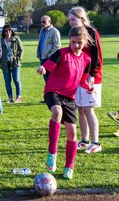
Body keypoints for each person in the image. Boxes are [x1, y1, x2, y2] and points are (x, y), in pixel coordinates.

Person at [37, 26, 93, 180]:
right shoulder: (61, 53)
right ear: (69, 40)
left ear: (85, 42)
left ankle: (69, 167)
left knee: (73, 133)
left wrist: (89, 86)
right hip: (53, 91)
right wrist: (42, 68)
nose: (75, 45)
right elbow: (47, 66)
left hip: (69, 98)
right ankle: (52, 154)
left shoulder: (86, 59)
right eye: (73, 42)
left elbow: (82, 80)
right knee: (57, 112)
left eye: (79, 43)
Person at [68, 6, 103, 154]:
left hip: (91, 77)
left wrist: (92, 74)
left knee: (89, 110)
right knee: (80, 109)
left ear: (81, 18)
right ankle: (84, 140)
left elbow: (96, 56)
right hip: (79, 76)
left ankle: (96, 143)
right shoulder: (75, 32)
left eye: (73, 19)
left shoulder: (91, 32)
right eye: (69, 20)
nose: (70, 22)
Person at [37, 15, 61, 102]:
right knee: (46, 79)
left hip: (50, 59)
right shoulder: (42, 31)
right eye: (41, 22)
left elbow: (57, 46)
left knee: (51, 79)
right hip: (42, 58)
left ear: (49, 22)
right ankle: (48, 98)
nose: (42, 23)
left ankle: (54, 98)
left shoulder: (54, 31)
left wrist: (49, 56)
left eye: (44, 22)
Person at [0, 24, 24, 103]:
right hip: (5, 63)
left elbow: (21, 50)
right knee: (7, 81)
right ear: (4, 32)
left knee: (16, 79)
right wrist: (0, 62)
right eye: (6, 30)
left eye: (9, 30)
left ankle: (18, 97)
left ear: (12, 30)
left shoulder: (16, 39)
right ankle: (10, 98)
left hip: (15, 63)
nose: (8, 32)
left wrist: (19, 59)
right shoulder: (1, 40)